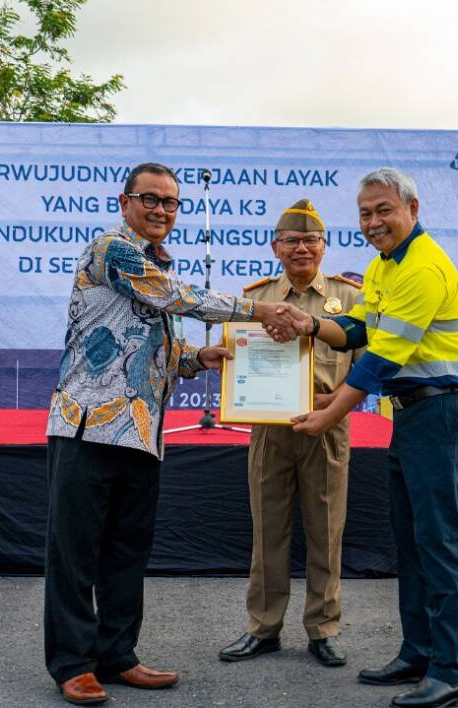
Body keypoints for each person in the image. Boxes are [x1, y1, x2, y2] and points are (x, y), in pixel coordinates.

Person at [43, 162, 302, 706]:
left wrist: (196, 357)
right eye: (150, 199)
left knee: (127, 553)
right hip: (88, 426)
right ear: (125, 202)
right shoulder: (112, 249)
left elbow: (149, 343)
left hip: (141, 431)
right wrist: (258, 310)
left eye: (170, 202)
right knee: (76, 554)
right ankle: (72, 664)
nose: (161, 210)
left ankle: (117, 656)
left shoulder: (155, 262)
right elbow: (175, 296)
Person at [284, 167, 458, 708]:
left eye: (384, 210)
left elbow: (379, 361)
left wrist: (330, 413)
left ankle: (451, 670)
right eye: (365, 213)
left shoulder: (423, 267)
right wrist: (308, 325)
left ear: (412, 209)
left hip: (442, 416)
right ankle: (418, 652)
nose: (373, 222)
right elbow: (358, 330)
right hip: (413, 415)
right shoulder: (383, 265)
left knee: (440, 542)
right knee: (412, 543)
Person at [219, 199, 362, 668]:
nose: (302, 248)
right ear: (275, 247)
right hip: (269, 429)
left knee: (326, 531)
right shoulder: (256, 298)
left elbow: (367, 367)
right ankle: (263, 627)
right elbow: (238, 360)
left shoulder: (350, 298)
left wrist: (334, 405)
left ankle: (323, 629)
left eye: (310, 240)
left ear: (324, 245)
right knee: (268, 530)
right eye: (292, 241)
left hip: (327, 427)